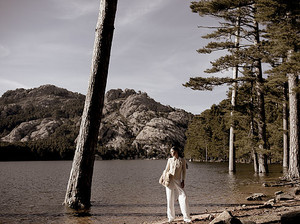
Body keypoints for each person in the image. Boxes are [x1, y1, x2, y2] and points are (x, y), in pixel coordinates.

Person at [163, 146, 191, 223]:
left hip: (178, 180)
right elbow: (166, 169)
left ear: (177, 151)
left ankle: (186, 217)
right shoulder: (170, 160)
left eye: (173, 151)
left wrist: (183, 180)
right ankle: (171, 218)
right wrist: (165, 178)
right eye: (171, 152)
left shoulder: (182, 160)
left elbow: (184, 171)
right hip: (169, 180)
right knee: (169, 198)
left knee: (184, 196)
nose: (172, 153)